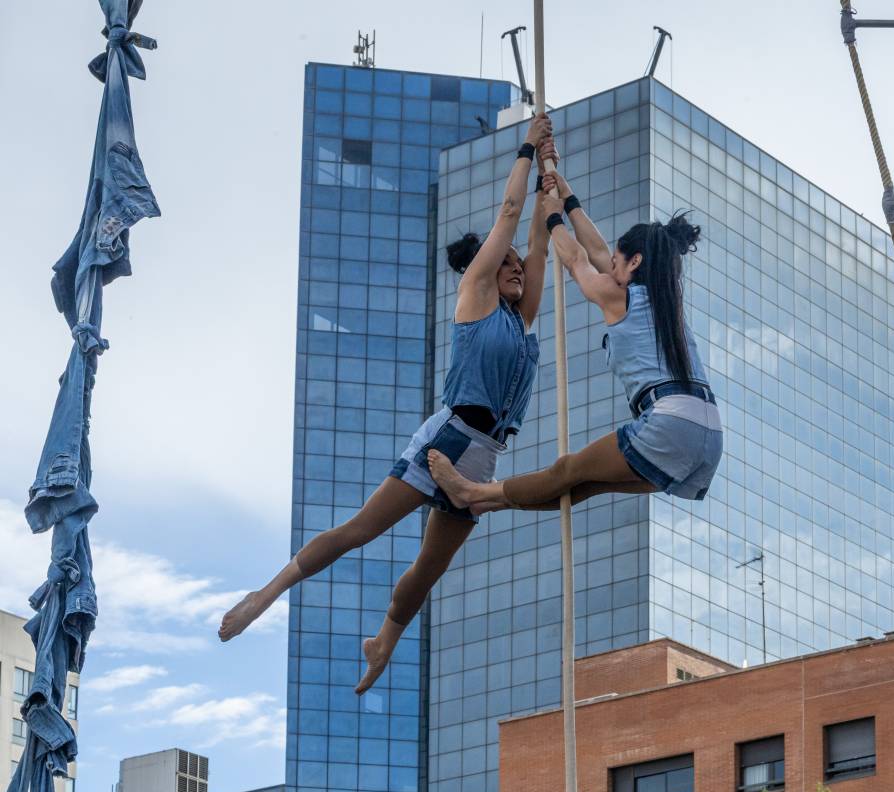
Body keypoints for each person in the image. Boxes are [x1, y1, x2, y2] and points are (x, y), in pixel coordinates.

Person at [219, 114, 557, 695]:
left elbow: (537, 240)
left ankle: (384, 642)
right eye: (507, 266)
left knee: (428, 572)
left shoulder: (521, 318)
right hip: (448, 440)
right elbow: (510, 217)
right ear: (487, 269)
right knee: (361, 531)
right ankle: (265, 594)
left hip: (484, 457)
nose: (517, 272)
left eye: (518, 270)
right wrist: (527, 146)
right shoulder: (475, 296)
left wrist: (552, 178)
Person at [428, 171, 723, 516]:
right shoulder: (665, 305)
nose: (609, 267)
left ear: (636, 262)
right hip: (708, 432)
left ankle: (471, 491)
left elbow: (578, 260)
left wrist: (554, 217)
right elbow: (597, 250)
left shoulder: (619, 294)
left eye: (616, 262)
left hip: (670, 421)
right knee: (581, 485)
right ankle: (489, 501)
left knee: (566, 470)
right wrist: (566, 196)